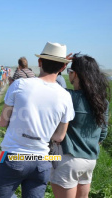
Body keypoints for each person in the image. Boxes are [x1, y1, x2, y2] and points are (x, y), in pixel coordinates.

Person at [0, 42, 75, 198]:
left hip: (14, 156)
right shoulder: (66, 96)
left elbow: (2, 122)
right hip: (41, 161)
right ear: (63, 68)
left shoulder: (20, 85)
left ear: (40, 62)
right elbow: (60, 136)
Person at [50, 54, 110, 198]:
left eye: (69, 71)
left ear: (75, 74)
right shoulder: (102, 101)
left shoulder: (67, 96)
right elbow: (103, 132)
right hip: (89, 160)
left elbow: (47, 84)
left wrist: (57, 66)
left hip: (67, 159)